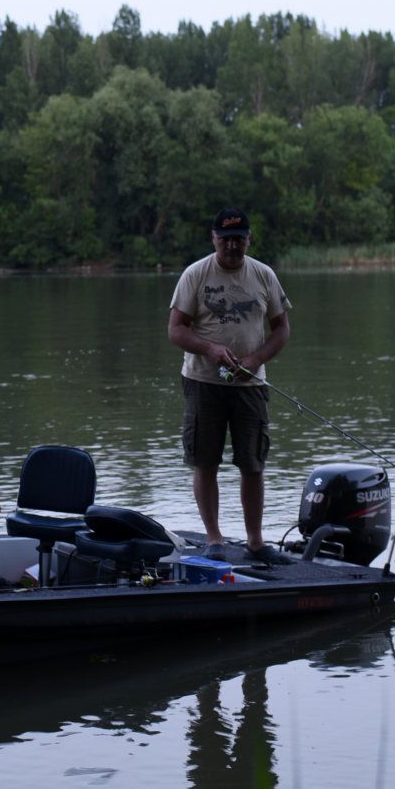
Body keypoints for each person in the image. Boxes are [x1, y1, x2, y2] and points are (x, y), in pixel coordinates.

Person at [166, 207, 291, 563]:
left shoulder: (264, 275)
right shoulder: (196, 274)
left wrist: (255, 360)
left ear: (249, 239)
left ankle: (255, 542)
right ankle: (214, 538)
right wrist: (210, 349)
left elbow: (281, 328)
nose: (233, 246)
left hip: (251, 385)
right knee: (205, 463)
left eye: (239, 239)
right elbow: (175, 329)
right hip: (203, 382)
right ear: (214, 239)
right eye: (226, 239)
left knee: (252, 463)